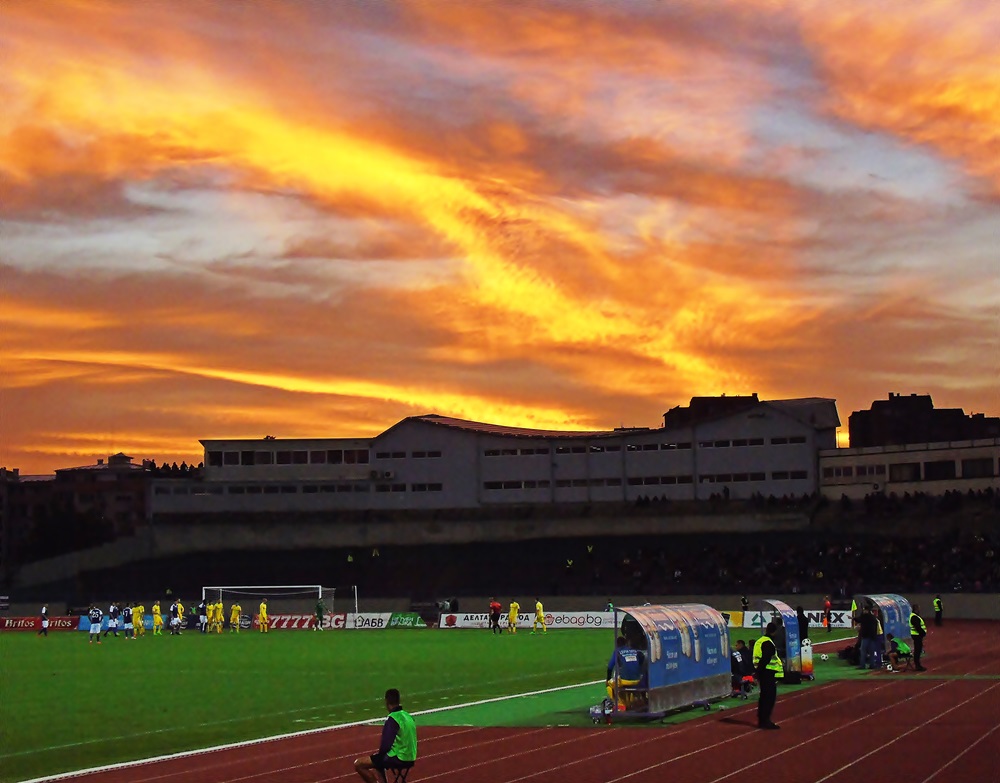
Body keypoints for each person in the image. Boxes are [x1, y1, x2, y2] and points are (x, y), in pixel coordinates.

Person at [353, 688, 417, 783]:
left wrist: (379, 756)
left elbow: (385, 745)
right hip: (411, 757)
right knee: (379, 761)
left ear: (386, 701)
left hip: (398, 758)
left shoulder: (392, 718)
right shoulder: (408, 716)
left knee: (359, 764)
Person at [753, 622, 783, 729]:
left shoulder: (760, 641)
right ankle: (765, 721)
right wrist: (758, 673)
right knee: (769, 698)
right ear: (774, 632)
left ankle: (762, 719)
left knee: (763, 697)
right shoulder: (768, 643)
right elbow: (765, 659)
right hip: (767, 673)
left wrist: (757, 673)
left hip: (762, 673)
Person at [606, 635, 645, 707]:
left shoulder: (617, 652)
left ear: (617, 644)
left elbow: (610, 667)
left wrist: (607, 679)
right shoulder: (634, 650)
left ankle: (618, 702)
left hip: (624, 680)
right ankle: (635, 698)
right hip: (638, 679)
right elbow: (642, 658)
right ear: (626, 643)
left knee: (610, 685)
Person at [857, 606, 879, 670]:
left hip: (866, 636)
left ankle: (862, 665)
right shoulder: (873, 617)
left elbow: (859, 619)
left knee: (863, 651)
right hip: (872, 637)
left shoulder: (864, 617)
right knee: (871, 652)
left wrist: (853, 618)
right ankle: (872, 665)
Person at [910, 603, 928, 671]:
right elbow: (918, 627)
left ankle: (918, 665)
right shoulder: (914, 617)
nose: (919, 610)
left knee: (918, 650)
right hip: (917, 635)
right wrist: (922, 633)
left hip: (917, 635)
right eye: (918, 608)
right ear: (916, 609)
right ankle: (917, 665)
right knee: (917, 651)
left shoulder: (914, 616)